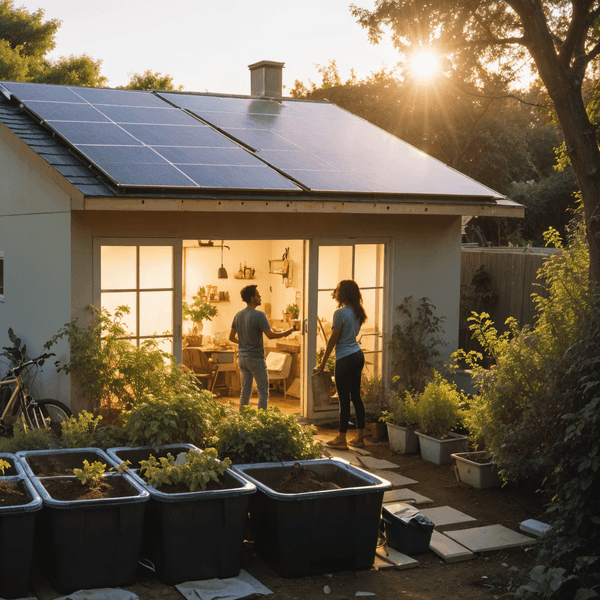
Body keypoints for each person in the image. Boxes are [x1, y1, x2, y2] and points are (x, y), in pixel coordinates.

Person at [316, 279, 367, 449]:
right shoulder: (358, 312)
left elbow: (333, 340)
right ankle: (360, 438)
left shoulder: (340, 313)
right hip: (358, 355)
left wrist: (323, 363)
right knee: (356, 397)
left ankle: (341, 439)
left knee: (343, 399)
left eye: (337, 290)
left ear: (344, 293)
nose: (335, 292)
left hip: (345, 358)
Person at [229, 285, 294, 410]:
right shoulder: (259, 315)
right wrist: (288, 331)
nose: (260, 297)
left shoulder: (238, 315)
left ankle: (243, 420)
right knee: (263, 391)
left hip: (242, 358)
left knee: (245, 391)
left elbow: (231, 337)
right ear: (252, 298)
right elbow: (270, 335)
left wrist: (243, 343)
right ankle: (261, 419)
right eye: (258, 295)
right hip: (256, 359)